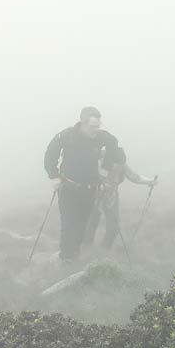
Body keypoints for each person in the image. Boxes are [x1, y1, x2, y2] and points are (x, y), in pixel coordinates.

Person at [44, 107, 125, 263]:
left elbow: (114, 145)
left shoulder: (101, 137)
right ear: (83, 122)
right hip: (69, 188)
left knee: (82, 225)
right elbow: (50, 154)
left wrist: (105, 169)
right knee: (69, 224)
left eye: (98, 126)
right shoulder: (67, 136)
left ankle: (74, 255)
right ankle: (66, 259)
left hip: (90, 189)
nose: (95, 130)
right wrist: (54, 176)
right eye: (92, 126)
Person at [84, 147, 158, 250]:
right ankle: (86, 248)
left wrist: (149, 181)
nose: (117, 165)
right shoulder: (97, 159)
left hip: (111, 197)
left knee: (113, 225)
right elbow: (85, 176)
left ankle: (104, 250)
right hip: (93, 196)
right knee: (91, 223)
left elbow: (134, 177)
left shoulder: (120, 161)